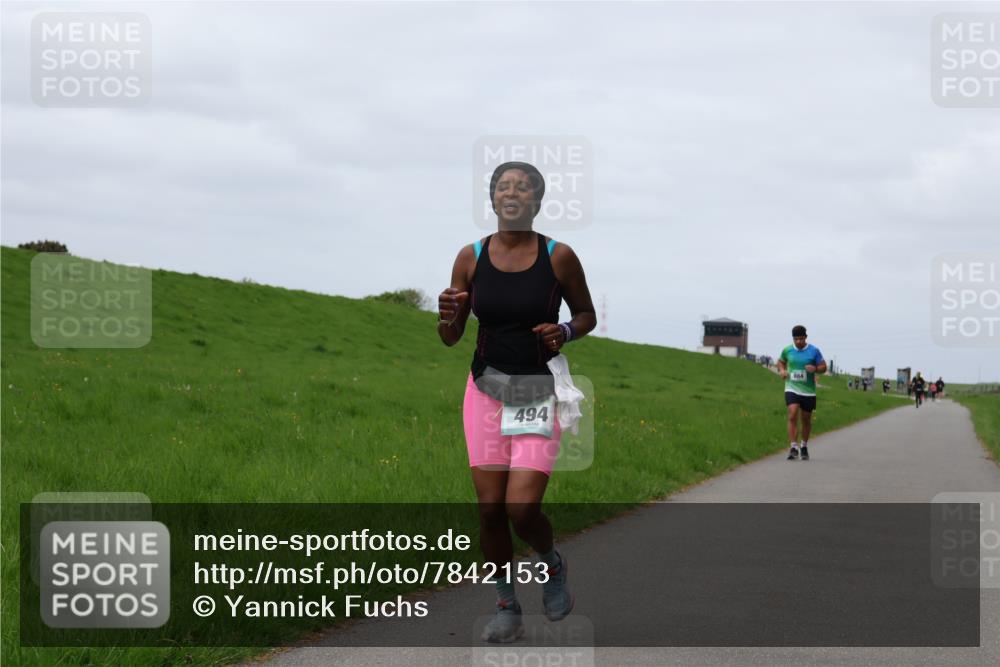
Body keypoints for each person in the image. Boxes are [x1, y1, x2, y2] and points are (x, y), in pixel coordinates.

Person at [437, 161, 597, 643]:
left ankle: (551, 566)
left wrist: (564, 330)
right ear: (492, 199)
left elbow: (585, 313)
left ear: (537, 200)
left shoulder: (559, 256)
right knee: (490, 510)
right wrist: (445, 317)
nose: (512, 193)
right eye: (503, 186)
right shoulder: (470, 256)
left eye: (522, 187)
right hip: (485, 389)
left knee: (522, 509)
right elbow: (451, 337)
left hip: (535, 391)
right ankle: (506, 606)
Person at [777, 325, 827, 461]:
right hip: (791, 387)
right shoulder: (787, 350)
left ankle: (804, 446)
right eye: (796, 339)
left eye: (801, 338)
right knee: (792, 413)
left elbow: (824, 367)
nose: (798, 342)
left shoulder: (814, 351)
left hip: (808, 391)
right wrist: (781, 370)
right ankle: (793, 447)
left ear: (805, 337)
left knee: (806, 418)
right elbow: (780, 362)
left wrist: (815, 368)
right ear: (793, 338)